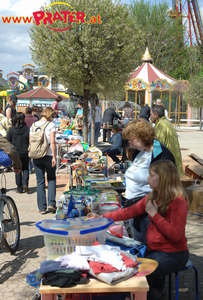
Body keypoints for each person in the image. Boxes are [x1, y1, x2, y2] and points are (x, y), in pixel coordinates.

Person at [92, 160, 189, 300]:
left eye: (152, 175)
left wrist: (154, 215)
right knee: (127, 266)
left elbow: (175, 234)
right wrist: (103, 218)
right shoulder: (153, 196)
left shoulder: (178, 201)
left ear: (164, 179)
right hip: (155, 251)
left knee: (139, 273)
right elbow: (129, 212)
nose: (148, 178)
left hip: (174, 254)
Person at [121, 119, 175, 244]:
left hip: (148, 209)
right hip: (134, 206)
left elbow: (167, 185)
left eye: (132, 139)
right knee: (138, 242)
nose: (130, 143)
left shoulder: (160, 153)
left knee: (149, 244)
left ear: (142, 136)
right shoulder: (138, 152)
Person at [30, 107, 56, 214]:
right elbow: (53, 142)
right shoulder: (51, 125)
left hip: (36, 155)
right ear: (50, 115)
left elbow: (30, 141)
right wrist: (54, 156)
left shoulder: (33, 125)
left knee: (40, 181)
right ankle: (51, 203)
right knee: (51, 179)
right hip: (48, 154)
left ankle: (41, 207)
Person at [150, 105, 183, 175]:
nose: (150, 117)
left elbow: (158, 147)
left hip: (168, 165)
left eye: (151, 115)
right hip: (173, 163)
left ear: (156, 115)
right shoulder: (166, 122)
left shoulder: (161, 125)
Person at [7, 113, 30, 193]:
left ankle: (19, 188)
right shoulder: (27, 129)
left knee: (17, 169)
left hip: (15, 152)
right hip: (25, 152)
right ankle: (25, 184)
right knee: (26, 168)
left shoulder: (11, 130)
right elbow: (29, 140)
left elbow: (8, 141)